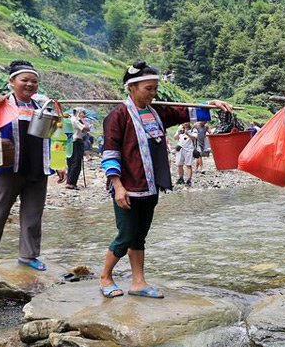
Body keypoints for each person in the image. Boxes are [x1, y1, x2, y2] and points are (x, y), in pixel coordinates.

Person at [99, 62, 232, 298]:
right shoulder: (117, 116)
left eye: (155, 88)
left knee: (140, 236)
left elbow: (186, 111)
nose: (153, 93)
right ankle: (105, 276)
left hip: (150, 185)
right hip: (128, 187)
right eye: (148, 88)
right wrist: (117, 186)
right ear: (132, 87)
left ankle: (138, 282)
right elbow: (110, 153)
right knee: (126, 235)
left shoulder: (156, 111)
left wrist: (211, 104)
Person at [0, 60, 55, 269]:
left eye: (34, 81)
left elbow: (53, 136)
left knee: (33, 214)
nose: (29, 84)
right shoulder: (1, 103)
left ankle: (29, 256)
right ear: (12, 81)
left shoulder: (42, 106)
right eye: (24, 80)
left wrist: (59, 164)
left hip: (37, 167)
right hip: (6, 168)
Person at [65, 108, 91, 189]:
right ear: (79, 113)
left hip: (70, 142)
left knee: (71, 162)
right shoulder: (75, 120)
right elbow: (86, 128)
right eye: (83, 113)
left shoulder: (70, 119)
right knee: (76, 163)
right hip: (76, 142)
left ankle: (69, 181)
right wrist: (84, 121)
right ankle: (71, 183)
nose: (84, 115)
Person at [174, 122, 196, 186]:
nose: (185, 123)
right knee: (179, 165)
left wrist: (188, 134)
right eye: (184, 122)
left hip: (189, 149)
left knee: (188, 165)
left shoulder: (193, 130)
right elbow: (175, 137)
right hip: (180, 148)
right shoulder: (179, 129)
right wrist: (178, 133)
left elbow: (194, 138)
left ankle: (189, 180)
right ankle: (181, 178)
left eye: (187, 122)